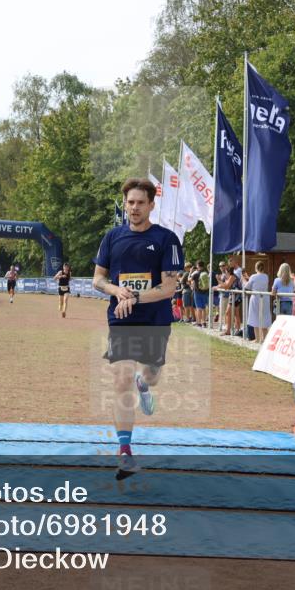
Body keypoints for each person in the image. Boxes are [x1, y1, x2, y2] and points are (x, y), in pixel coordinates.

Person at [92, 178, 181, 480]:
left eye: (140, 202)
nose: (134, 208)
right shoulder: (112, 238)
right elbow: (98, 280)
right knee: (121, 380)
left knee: (151, 376)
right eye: (130, 202)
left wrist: (135, 296)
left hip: (155, 320)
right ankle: (125, 452)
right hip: (121, 320)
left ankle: (146, 381)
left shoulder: (167, 239)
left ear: (151, 205)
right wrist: (117, 292)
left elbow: (169, 287)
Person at [243, 261, 272, 342]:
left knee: (255, 317)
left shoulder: (253, 276)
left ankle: (257, 338)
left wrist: (243, 280)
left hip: (255, 298)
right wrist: (249, 278)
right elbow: (257, 281)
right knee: (264, 317)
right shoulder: (266, 276)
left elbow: (247, 286)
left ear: (256, 268)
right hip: (265, 298)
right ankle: (264, 338)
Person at [193, 261, 209, 327]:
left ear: (198, 265)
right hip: (205, 292)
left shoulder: (196, 274)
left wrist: (191, 271)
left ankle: (199, 323)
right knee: (204, 308)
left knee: (198, 308)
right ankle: (204, 323)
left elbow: (189, 279)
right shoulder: (206, 273)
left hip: (197, 292)